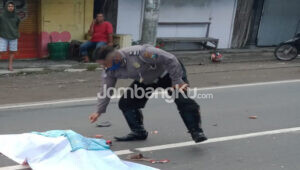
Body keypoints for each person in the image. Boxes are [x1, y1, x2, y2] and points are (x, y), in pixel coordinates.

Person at [89, 45, 208, 143]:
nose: (104, 67)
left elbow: (171, 59)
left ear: (115, 57)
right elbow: (106, 89)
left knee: (182, 100)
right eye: (102, 65)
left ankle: (196, 131)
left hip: (169, 74)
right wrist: (99, 111)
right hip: (146, 80)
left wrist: (177, 80)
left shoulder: (142, 53)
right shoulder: (110, 70)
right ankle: (138, 132)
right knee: (126, 103)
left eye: (105, 63)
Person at [0, 1, 21, 71]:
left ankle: (10, 65)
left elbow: (17, 25)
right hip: (3, 36)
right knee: (1, 51)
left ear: (14, 7)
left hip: (14, 36)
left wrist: (15, 33)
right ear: (6, 7)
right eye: (9, 6)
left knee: (12, 51)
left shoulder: (16, 17)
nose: (11, 7)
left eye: (12, 6)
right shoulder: (2, 16)